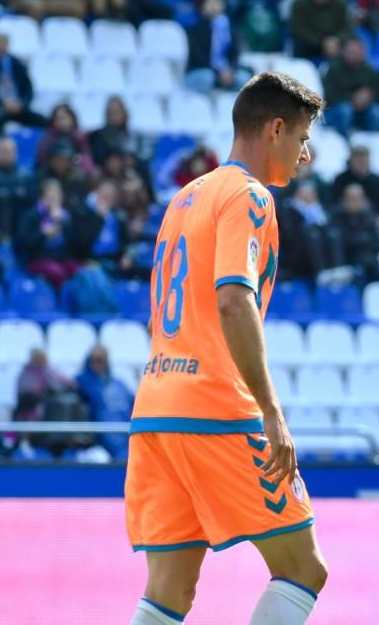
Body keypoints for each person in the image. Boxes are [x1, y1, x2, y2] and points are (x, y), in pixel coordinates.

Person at [125, 72, 328, 625]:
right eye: (303, 137)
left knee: (169, 591)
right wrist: (271, 412)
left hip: (156, 411)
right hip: (215, 410)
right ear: (276, 128)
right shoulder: (248, 194)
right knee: (303, 570)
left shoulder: (186, 197)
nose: (305, 154)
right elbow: (233, 300)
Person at [15, 179, 81, 290]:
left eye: (57, 194)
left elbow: (75, 245)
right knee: (58, 273)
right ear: (42, 197)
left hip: (61, 258)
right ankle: (62, 304)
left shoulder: (66, 216)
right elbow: (24, 243)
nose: (54, 197)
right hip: (38, 259)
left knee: (81, 272)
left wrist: (64, 224)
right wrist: (43, 233)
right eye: (50, 194)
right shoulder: (32, 215)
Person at [184, 0, 253, 94]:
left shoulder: (230, 28)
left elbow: (235, 52)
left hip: (227, 71)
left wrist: (231, 70)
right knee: (207, 77)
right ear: (203, 8)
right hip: (204, 70)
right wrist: (218, 72)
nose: (215, 5)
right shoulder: (195, 30)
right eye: (211, 2)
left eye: (217, 1)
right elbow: (198, 57)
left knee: (244, 78)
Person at [77, 345, 134, 460]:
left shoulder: (119, 384)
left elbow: (133, 402)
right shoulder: (82, 382)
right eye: (94, 360)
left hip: (126, 434)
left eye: (101, 360)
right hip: (103, 438)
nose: (97, 364)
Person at [329, 183, 379, 286]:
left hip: (371, 263)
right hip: (349, 262)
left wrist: (362, 240)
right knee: (359, 277)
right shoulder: (337, 218)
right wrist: (365, 239)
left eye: (359, 198)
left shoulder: (369, 216)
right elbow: (345, 242)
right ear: (345, 199)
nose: (356, 201)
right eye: (352, 198)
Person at [322, 36, 379, 135]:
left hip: (362, 111)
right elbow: (328, 97)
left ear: (363, 53)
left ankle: (370, 141)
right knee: (346, 110)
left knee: (377, 111)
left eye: (356, 53)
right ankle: (343, 141)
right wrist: (352, 99)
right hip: (337, 111)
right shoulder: (333, 69)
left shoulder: (370, 71)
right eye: (350, 52)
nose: (353, 55)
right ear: (343, 51)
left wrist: (368, 98)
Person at [289, 0, 353, 62]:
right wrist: (322, 42)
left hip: (334, 43)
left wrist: (336, 39)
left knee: (350, 47)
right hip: (308, 43)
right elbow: (298, 28)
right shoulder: (299, 2)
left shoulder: (340, 2)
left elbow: (347, 27)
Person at [0, 32, 46, 130]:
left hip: (18, 106)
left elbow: (28, 89)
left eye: (2, 41)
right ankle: (0, 144)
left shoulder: (17, 64)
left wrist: (21, 103)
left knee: (41, 121)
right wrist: (2, 103)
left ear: (8, 43)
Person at [331, 144, 379, 230]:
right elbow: (333, 204)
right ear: (351, 159)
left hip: (373, 223)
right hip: (345, 223)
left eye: (364, 158)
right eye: (358, 158)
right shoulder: (340, 180)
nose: (361, 161)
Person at [0, 137, 36, 242]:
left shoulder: (25, 177)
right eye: (3, 150)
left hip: (20, 235)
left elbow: (32, 208)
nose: (7, 154)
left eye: (10, 151)